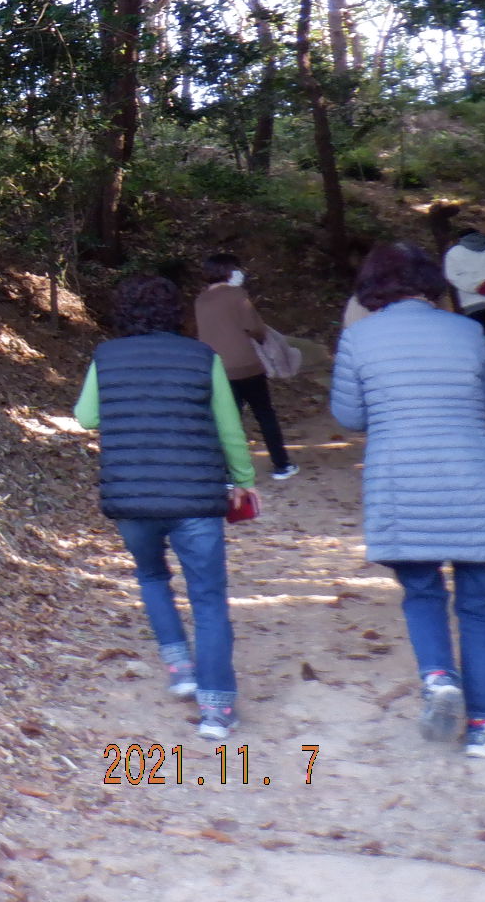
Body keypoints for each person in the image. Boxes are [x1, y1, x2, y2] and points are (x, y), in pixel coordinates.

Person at [332, 241, 485, 758]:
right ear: (430, 281)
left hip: (401, 481)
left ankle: (438, 678)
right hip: (474, 479)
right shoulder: (469, 331)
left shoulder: (359, 337)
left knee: (422, 592)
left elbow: (349, 416)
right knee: (478, 604)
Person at [74, 274, 255, 740]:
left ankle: (180, 668)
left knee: (152, 575)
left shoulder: (107, 356)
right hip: (196, 497)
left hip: (132, 495)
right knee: (208, 598)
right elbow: (229, 429)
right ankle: (216, 710)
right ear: (176, 313)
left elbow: (86, 417)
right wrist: (242, 480)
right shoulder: (202, 357)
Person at [193, 253, 297, 480]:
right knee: (264, 413)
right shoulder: (237, 295)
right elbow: (255, 328)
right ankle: (282, 465)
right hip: (247, 366)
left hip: (217, 369)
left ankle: (227, 473)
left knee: (227, 420)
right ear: (228, 271)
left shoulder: (200, 301)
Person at [443, 227, 485, 378]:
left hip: (473, 305)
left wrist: (478, 286)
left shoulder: (454, 253)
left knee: (481, 345)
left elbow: (454, 276)